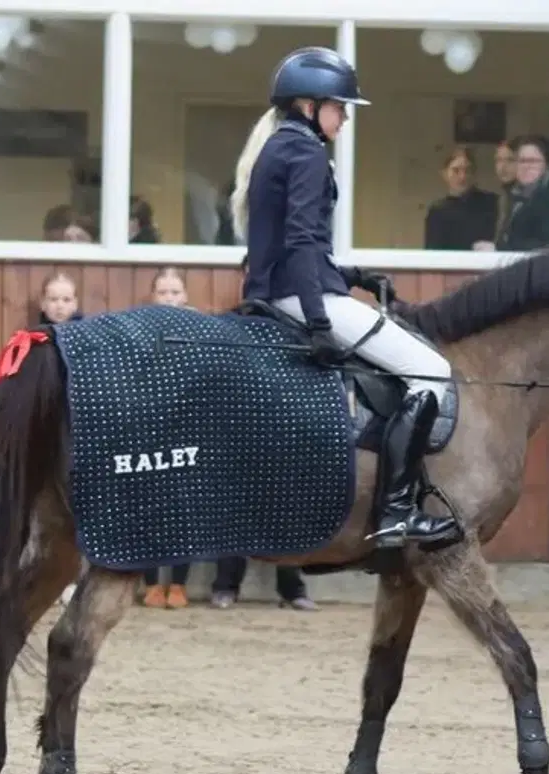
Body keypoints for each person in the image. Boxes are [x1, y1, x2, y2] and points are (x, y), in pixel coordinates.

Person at [229, 45, 461, 551]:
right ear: (309, 105)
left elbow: (296, 242)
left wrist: (352, 274)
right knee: (432, 374)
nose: (345, 119)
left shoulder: (281, 146)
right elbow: (299, 242)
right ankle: (398, 512)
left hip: (284, 289)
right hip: (299, 296)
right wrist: (318, 321)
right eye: (341, 108)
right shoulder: (307, 152)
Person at [138, 266, 194, 608]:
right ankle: (150, 584)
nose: (170, 298)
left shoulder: (197, 332)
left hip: (187, 431)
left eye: (175, 292)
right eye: (163, 292)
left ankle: (178, 585)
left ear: (185, 296)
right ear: (153, 296)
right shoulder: (143, 332)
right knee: (147, 509)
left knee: (183, 510)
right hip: (151, 431)